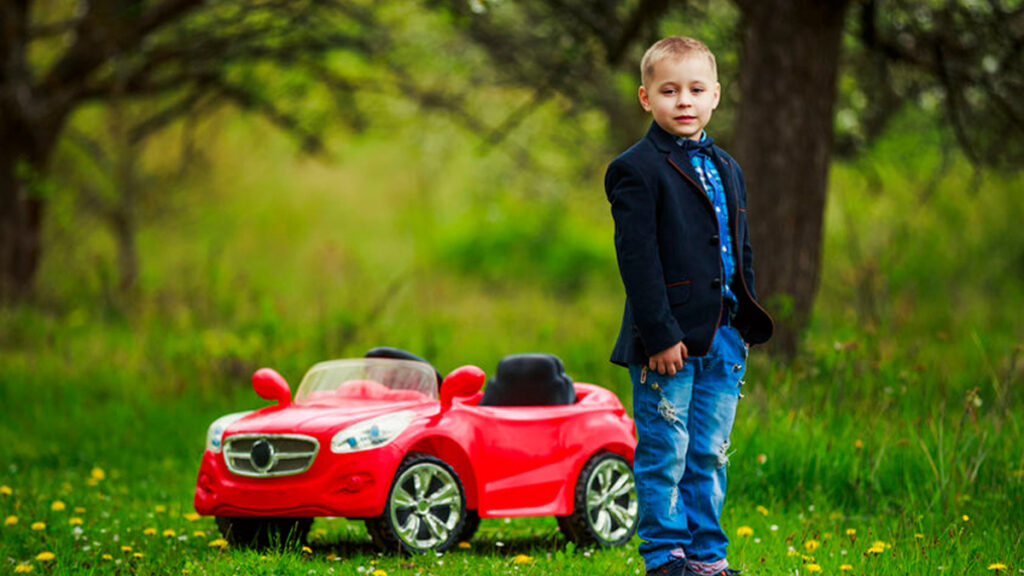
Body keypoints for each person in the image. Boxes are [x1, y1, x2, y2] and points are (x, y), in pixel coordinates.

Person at [605, 36, 774, 576]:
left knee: (708, 452)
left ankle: (707, 558)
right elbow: (638, 260)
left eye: (696, 90)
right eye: (670, 90)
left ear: (716, 96)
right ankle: (665, 557)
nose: (684, 101)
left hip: (725, 336)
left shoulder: (727, 166)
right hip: (667, 341)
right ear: (645, 97)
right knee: (665, 450)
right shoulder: (636, 169)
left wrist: (744, 322)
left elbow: (738, 247)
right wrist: (658, 333)